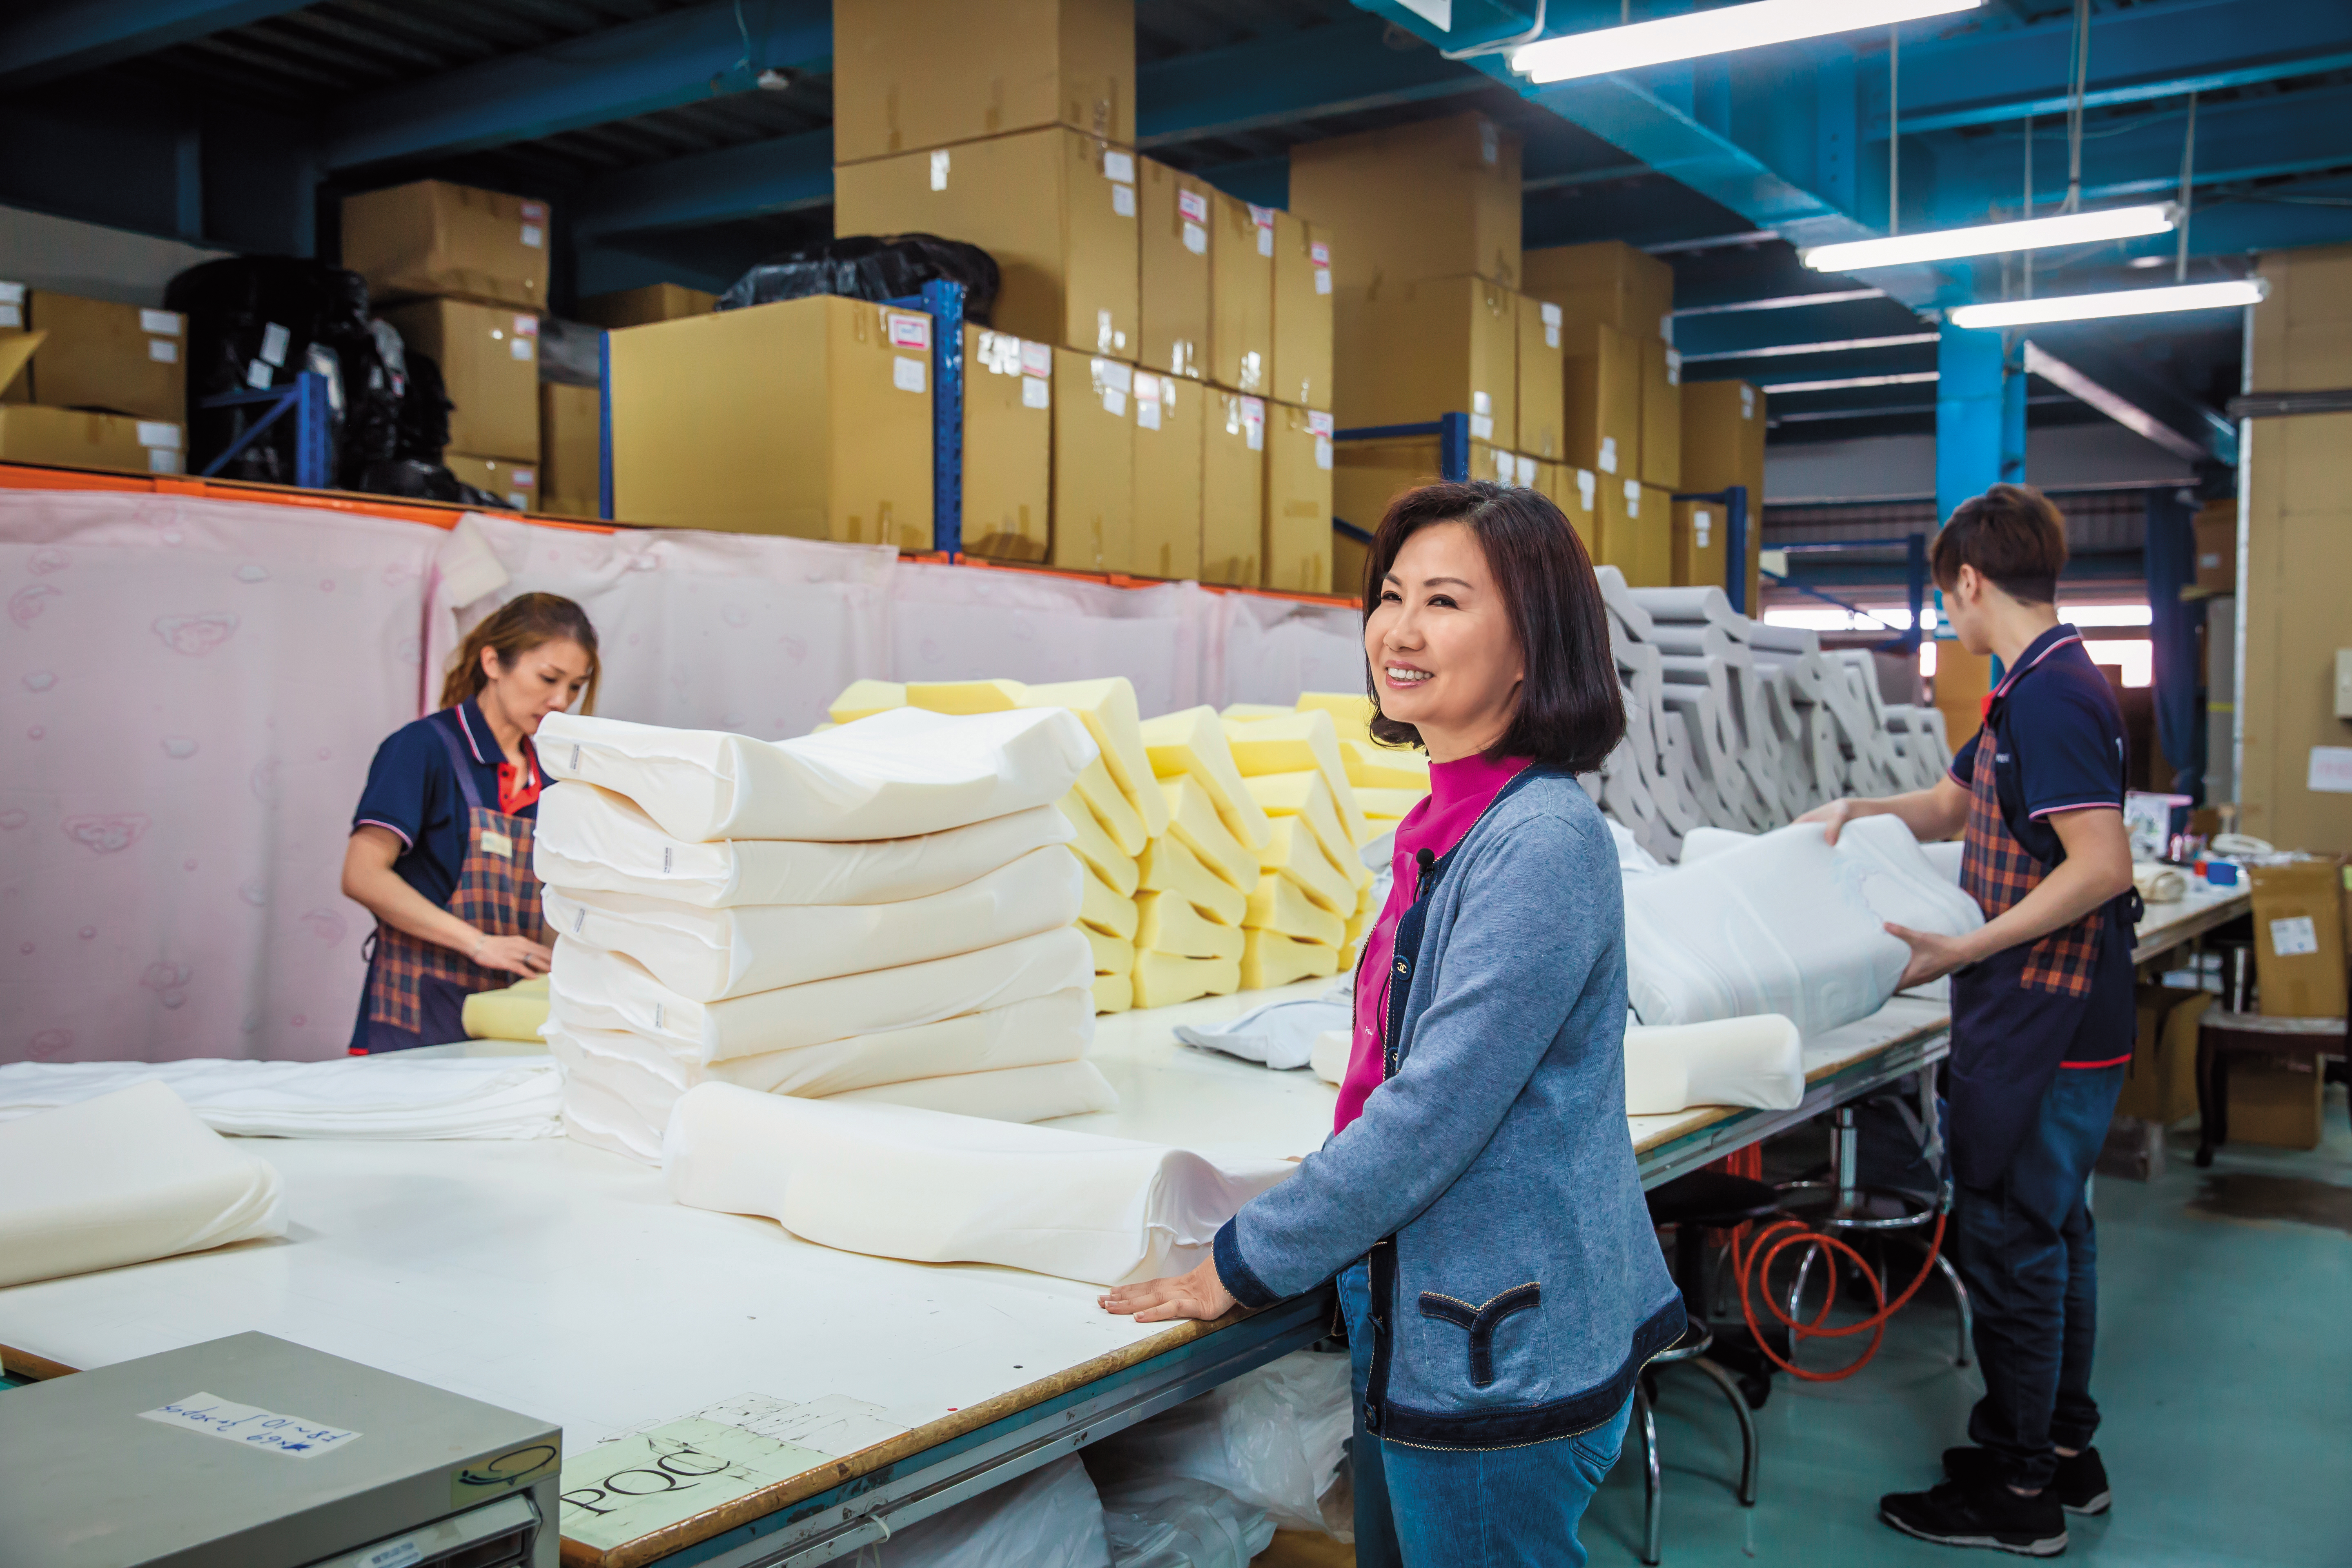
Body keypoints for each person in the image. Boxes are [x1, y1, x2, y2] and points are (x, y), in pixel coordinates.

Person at [1101, 482, 1684, 1568]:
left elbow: (1433, 1111)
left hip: (1494, 1340)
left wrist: (1246, 1260)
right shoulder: (1447, 819)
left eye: (1447, 602)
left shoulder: (1540, 844)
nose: (1400, 631)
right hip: (1438, 1312)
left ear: (1530, 646)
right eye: (1391, 596)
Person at [1796, 486, 2137, 1556]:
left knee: (2012, 1245)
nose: (1950, 617)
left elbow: (2102, 866)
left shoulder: (2049, 699)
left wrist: (1963, 950)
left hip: (2046, 1022)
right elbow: (1954, 807)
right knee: (2056, 1234)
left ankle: (2019, 1489)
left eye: (1949, 599)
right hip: (2055, 1018)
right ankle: (2063, 1454)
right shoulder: (2031, 685)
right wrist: (1858, 810)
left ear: (1973, 583)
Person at [342, 593, 600, 1054]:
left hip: (505, 1017)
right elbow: (362, 875)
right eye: (548, 678)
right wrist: (480, 944)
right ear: (493, 663)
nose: (561, 701)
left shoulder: (553, 776)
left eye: (576, 687)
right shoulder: (423, 748)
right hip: (415, 1015)